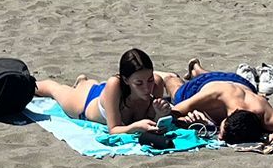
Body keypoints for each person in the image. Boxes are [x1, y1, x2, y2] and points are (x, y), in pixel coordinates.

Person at [32, 48, 179, 137]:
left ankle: (83, 81)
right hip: (85, 104)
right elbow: (113, 130)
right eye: (139, 83)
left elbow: (152, 120)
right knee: (53, 89)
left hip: (107, 95)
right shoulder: (115, 84)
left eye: (149, 80)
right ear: (126, 80)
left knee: (89, 84)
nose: (147, 88)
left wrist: (160, 114)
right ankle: (25, 82)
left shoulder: (157, 83)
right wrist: (134, 127)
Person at [167, 74, 273, 145]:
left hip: (241, 82)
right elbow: (176, 111)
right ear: (231, 114)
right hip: (208, 83)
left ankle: (196, 68)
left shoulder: (268, 118)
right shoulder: (218, 95)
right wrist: (182, 120)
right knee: (176, 90)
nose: (218, 135)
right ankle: (186, 72)